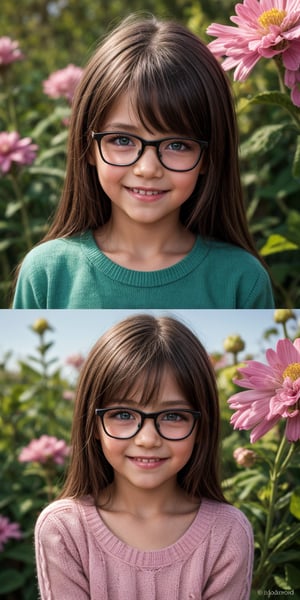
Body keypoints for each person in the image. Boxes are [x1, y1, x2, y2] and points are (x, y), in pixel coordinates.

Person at [13, 15, 274, 308]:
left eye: (177, 144)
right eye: (122, 140)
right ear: (87, 146)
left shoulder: (243, 280)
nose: (148, 169)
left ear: (209, 157)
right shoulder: (46, 274)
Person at [35, 314, 254, 599]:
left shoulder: (228, 533)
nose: (148, 439)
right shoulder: (63, 530)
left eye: (174, 415)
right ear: (93, 424)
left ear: (202, 426)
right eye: (123, 414)